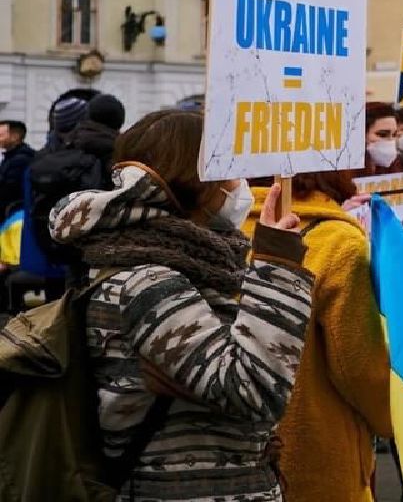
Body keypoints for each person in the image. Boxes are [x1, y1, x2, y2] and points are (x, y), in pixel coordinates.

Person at [49, 109, 313, 499]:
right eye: (230, 171)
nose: (240, 186)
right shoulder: (147, 280)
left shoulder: (183, 262)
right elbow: (254, 389)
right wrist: (277, 266)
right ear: (197, 180)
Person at [243, 170, 392, 502]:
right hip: (319, 464)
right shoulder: (339, 243)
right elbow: (358, 368)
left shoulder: (219, 229)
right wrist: (394, 418)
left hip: (232, 466)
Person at [26, 94, 126, 287]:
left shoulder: (67, 145)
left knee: (71, 295)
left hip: (66, 245)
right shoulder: (116, 151)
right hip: (104, 249)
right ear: (119, 121)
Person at [0, 120, 33, 219]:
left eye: (1, 135)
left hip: (13, 214)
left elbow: (8, 190)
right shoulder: (11, 157)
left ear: (15, 136)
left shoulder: (20, 159)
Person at [360, 102, 401, 176]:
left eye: (394, 135)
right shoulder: (343, 175)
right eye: (382, 135)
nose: (390, 141)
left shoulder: (394, 170)